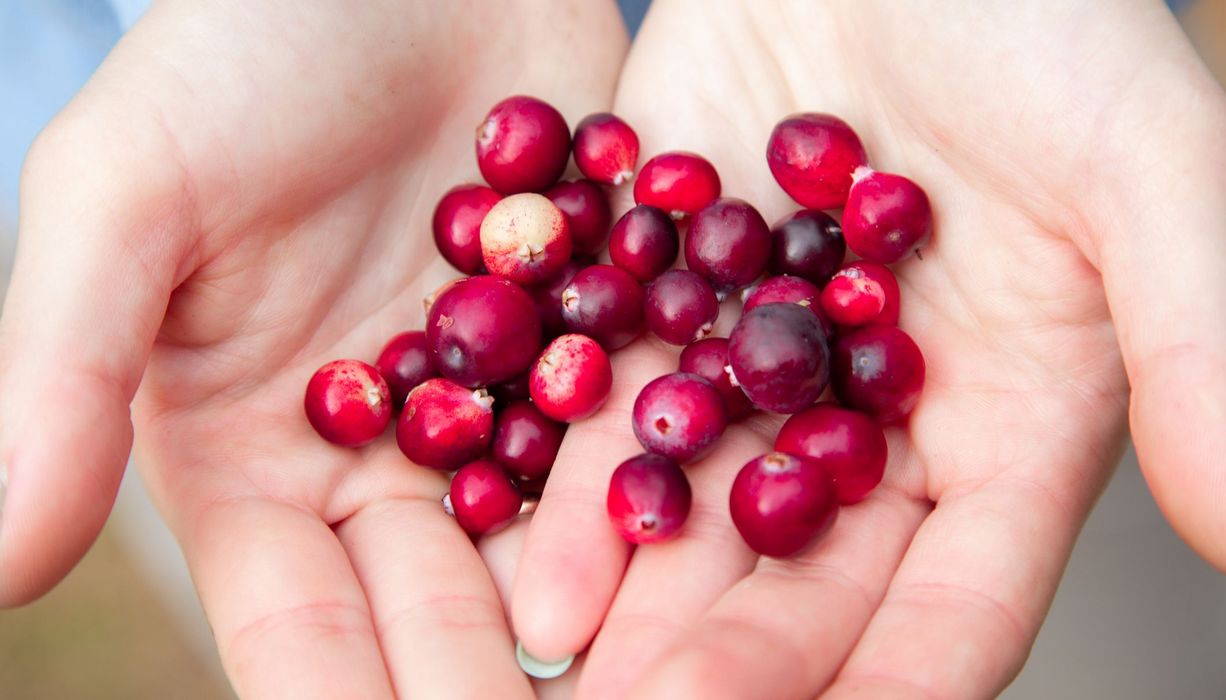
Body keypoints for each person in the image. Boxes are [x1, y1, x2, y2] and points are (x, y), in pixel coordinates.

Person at [0, 1, 1222, 697]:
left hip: (1004, 311)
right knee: (299, 554)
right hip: (266, 254)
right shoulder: (571, 307)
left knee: (1080, 627)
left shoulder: (797, 306)